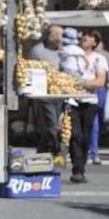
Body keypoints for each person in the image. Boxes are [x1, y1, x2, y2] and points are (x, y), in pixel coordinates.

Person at [60, 28, 106, 183]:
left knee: (85, 135)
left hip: (89, 100)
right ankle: (76, 169)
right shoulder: (71, 53)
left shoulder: (99, 59)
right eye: (83, 36)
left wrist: (82, 83)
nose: (84, 38)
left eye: (89, 36)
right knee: (74, 134)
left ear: (95, 42)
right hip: (71, 99)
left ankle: (82, 167)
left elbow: (100, 81)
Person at [28, 25, 63, 156]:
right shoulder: (37, 51)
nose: (61, 39)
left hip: (61, 94)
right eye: (59, 36)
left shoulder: (63, 50)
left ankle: (44, 150)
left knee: (56, 125)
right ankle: (54, 148)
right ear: (51, 37)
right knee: (51, 124)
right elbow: (30, 70)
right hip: (44, 94)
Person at [87, 33, 109, 165]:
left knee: (94, 123)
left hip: (97, 92)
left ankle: (93, 151)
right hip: (94, 92)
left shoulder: (103, 57)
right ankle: (92, 151)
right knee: (93, 123)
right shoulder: (76, 55)